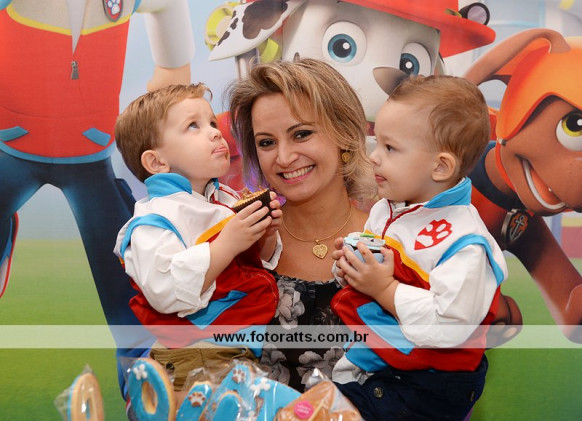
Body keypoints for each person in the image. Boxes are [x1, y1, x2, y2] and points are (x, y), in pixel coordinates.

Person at [330, 75, 508, 421]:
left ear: (440, 167)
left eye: (390, 148)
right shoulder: (388, 208)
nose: (374, 157)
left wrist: (383, 288)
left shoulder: (465, 243)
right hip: (382, 361)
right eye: (377, 142)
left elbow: (451, 325)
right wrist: (351, 268)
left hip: (428, 385)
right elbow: (374, 278)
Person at [112, 83, 282, 396]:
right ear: (157, 162)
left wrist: (265, 235)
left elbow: (253, 264)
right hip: (196, 355)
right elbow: (166, 290)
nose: (215, 133)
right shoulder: (154, 219)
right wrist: (227, 243)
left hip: (240, 347)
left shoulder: (224, 199)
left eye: (212, 123)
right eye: (194, 126)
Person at [227, 58, 377, 391]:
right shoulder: (239, 245)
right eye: (267, 142)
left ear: (344, 135)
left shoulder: (390, 241)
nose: (283, 157)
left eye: (301, 134)